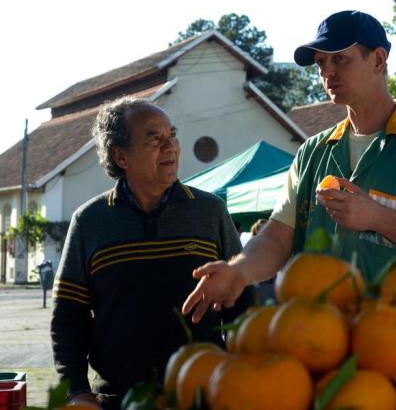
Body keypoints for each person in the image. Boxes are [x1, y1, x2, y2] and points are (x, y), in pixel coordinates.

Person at [183, 10, 396, 322]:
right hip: (319, 345)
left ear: (379, 60)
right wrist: (238, 271)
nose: (327, 72)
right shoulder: (311, 153)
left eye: (339, 59)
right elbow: (276, 238)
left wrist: (380, 219)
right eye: (320, 63)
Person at [50, 97, 251, 409]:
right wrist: (76, 390)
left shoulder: (210, 211)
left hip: (204, 395)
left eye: (172, 135)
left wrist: (241, 373)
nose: (170, 146)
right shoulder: (90, 221)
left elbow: (242, 301)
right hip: (119, 400)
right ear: (121, 156)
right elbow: (67, 318)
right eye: (155, 139)